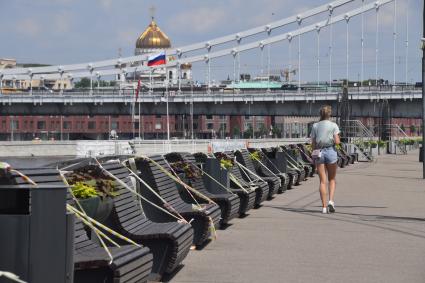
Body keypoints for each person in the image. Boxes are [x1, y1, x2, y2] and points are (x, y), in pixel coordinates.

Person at [310, 105, 340, 214]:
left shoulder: (315, 126)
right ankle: (331, 201)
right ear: (329, 114)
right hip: (331, 152)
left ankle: (323, 207)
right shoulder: (334, 125)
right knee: (331, 179)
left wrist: (313, 155)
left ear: (320, 114)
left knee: (322, 181)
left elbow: (313, 143)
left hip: (319, 152)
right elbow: (337, 142)